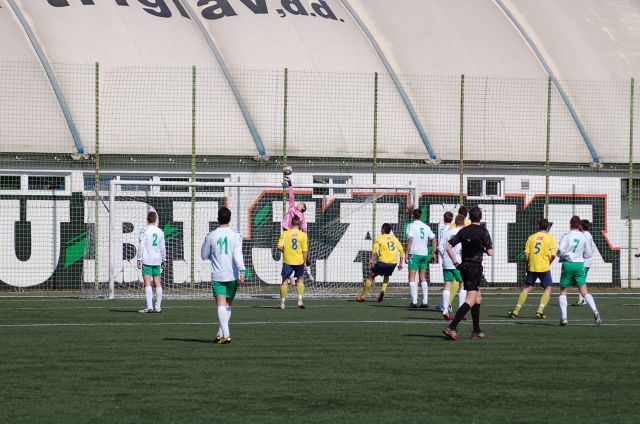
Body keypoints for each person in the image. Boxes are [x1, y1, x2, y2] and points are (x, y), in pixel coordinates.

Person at [443, 207, 493, 341]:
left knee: (478, 297)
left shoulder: (463, 230)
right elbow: (490, 252)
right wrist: (481, 248)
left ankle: (476, 331)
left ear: (469, 217)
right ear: (480, 217)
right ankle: (452, 327)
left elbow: (448, 247)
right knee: (470, 299)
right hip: (475, 268)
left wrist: (456, 263)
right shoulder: (483, 231)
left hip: (464, 267)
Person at [201, 207, 246, 344]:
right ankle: (221, 333)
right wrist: (242, 271)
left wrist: (212, 255)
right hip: (233, 275)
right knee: (227, 305)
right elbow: (237, 254)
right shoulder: (236, 234)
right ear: (230, 218)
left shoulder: (211, 235)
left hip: (218, 275)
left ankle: (226, 334)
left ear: (217, 218)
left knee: (221, 305)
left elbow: (203, 255)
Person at [508, 218, 556, 319]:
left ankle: (516, 310)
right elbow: (553, 255)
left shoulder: (531, 237)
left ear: (538, 226)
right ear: (547, 227)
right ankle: (540, 310)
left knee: (527, 288)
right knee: (548, 288)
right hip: (544, 267)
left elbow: (526, 254)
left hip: (532, 266)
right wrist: (549, 262)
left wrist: (527, 264)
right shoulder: (550, 238)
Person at [557, 216, 601, 326]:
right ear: (579, 225)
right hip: (579, 265)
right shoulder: (584, 237)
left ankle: (564, 318)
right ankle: (595, 311)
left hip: (568, 264)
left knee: (563, 291)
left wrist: (563, 256)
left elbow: (560, 251)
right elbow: (588, 254)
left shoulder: (566, 236)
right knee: (584, 291)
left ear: (570, 224)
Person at [356, 223, 404, 302]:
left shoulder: (380, 238)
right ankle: (382, 291)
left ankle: (363, 296)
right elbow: (402, 251)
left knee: (371, 277)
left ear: (382, 230)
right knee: (386, 276)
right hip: (393, 264)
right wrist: (401, 263)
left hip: (383, 262)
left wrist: (371, 259)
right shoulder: (395, 239)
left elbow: (375, 248)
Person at [405, 208, 436, 308]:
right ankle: (425, 302)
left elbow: (410, 239)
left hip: (414, 253)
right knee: (423, 277)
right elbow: (434, 239)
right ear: (421, 216)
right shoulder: (426, 227)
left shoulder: (411, 226)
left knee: (412, 277)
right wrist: (434, 253)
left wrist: (406, 253)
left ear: (413, 216)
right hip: (424, 254)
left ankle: (414, 302)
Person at [137, 211, 166, 313]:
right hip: (157, 260)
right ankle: (158, 307)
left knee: (147, 283)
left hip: (147, 259)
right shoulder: (160, 231)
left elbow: (141, 246)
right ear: (155, 219)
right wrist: (164, 259)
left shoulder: (144, 231)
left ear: (147, 219)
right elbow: (162, 247)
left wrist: (139, 259)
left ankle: (149, 307)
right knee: (158, 283)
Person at [439, 214, 467, 320]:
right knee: (463, 284)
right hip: (458, 262)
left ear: (455, 222)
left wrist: (445, 256)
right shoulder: (463, 233)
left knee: (447, 284)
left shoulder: (448, 232)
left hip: (447, 261)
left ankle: (445, 310)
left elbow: (440, 246)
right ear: (464, 223)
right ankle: (461, 311)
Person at [278, 216, 308, 309]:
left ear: (291, 223)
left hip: (288, 260)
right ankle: (300, 301)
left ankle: (282, 303)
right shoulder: (303, 235)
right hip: (299, 260)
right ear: (299, 224)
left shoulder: (285, 233)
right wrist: (305, 262)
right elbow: (305, 250)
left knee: (285, 280)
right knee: (300, 278)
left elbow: (279, 246)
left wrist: (286, 251)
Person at [435, 211, 454, 312]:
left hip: (446, 258)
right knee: (454, 283)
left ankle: (446, 304)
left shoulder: (442, 229)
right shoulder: (453, 229)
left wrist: (444, 255)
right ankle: (444, 304)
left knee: (448, 282)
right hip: (455, 257)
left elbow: (440, 246)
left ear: (444, 218)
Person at [574, 219, 594, 306]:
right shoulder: (587, 234)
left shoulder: (585, 235)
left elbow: (587, 249)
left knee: (581, 281)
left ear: (581, 226)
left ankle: (582, 300)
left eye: (580, 225)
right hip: (586, 260)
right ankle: (582, 299)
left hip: (585, 261)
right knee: (581, 280)